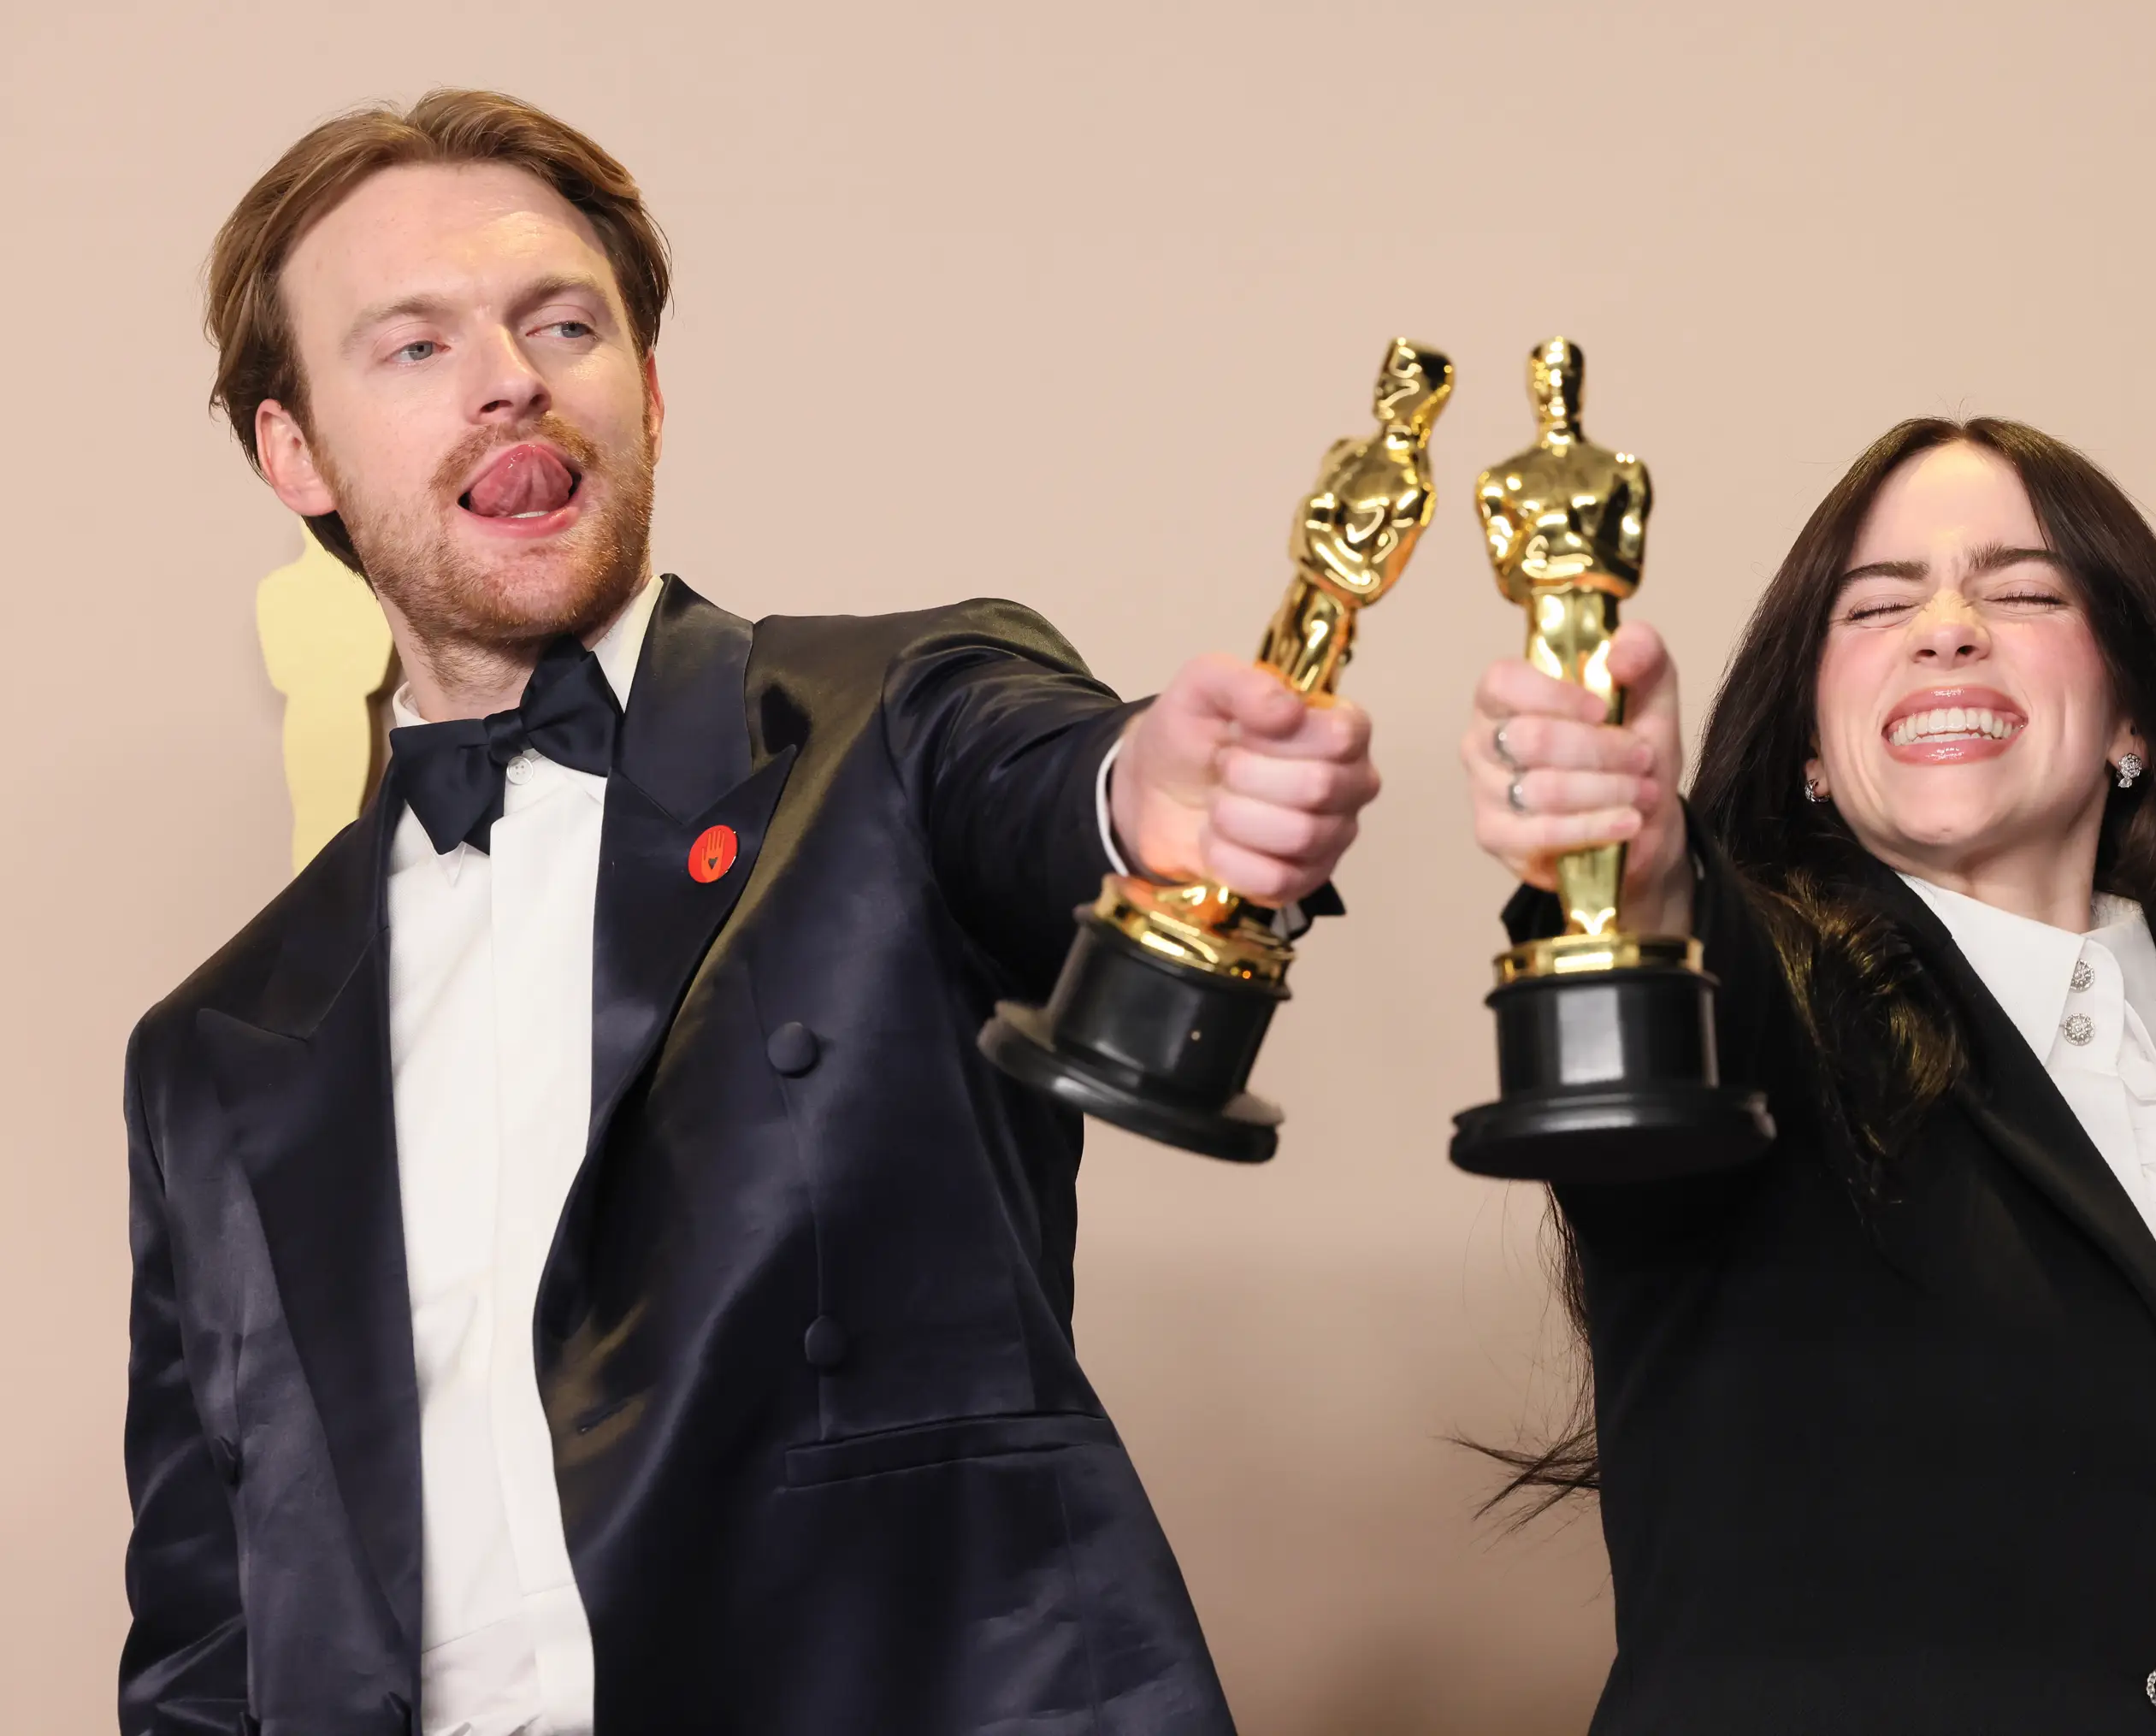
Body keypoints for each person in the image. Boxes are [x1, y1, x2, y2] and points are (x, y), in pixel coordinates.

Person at [124, 91, 1381, 1735]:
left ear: (642, 388)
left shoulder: (886, 722)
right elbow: (207, 1632)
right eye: (414, 347)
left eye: (561, 322)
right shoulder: (213, 1050)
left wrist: (1149, 798)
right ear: (296, 451)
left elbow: (1050, 783)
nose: (511, 373)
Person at [1461, 417, 2156, 1733]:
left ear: (2135, 710)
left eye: (2020, 590)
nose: (1947, 626)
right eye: (1877, 603)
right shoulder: (1769, 1018)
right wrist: (1638, 866)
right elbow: (1681, 982)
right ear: (1806, 747)